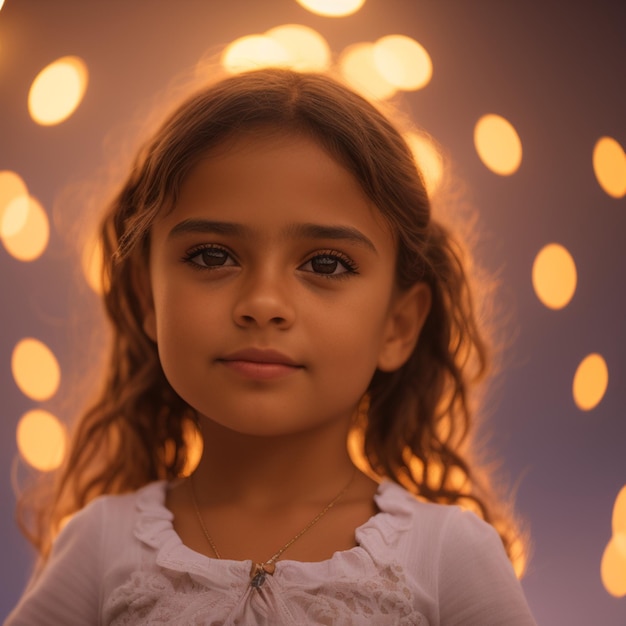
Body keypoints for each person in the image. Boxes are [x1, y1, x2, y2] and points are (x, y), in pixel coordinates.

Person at [6, 68, 537, 625]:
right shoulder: (98, 546)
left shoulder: (448, 557)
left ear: (398, 325)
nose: (263, 302)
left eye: (325, 264)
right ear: (148, 298)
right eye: (213, 256)